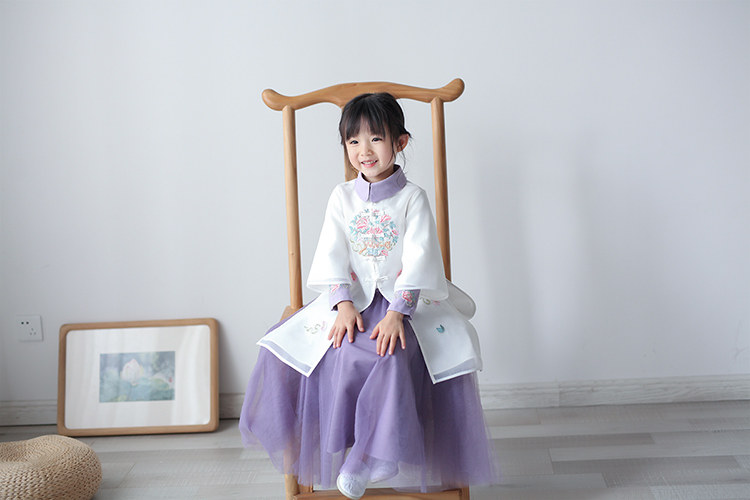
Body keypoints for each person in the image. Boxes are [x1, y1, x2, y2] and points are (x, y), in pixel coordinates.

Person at [240, 92, 497, 499]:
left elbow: (419, 257)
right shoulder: (341, 197)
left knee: (390, 352)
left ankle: (369, 457)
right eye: (353, 141)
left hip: (404, 304)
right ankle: (361, 450)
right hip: (353, 300)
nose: (364, 150)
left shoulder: (412, 198)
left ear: (400, 142)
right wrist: (342, 304)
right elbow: (332, 254)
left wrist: (398, 313)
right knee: (340, 350)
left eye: (376, 138)